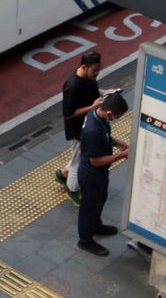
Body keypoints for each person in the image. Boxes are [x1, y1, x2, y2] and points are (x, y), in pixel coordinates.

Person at [77, 92, 130, 257]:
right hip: (91, 174)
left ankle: (96, 225)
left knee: (100, 200)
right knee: (89, 206)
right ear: (109, 113)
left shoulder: (99, 117)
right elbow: (96, 161)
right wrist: (120, 155)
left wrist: (116, 142)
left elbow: (105, 134)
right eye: (117, 116)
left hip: (99, 174)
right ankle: (85, 240)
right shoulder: (93, 130)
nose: (116, 119)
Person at [56, 52, 105, 205]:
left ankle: (63, 174)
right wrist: (93, 107)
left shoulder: (89, 79)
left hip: (85, 126)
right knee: (79, 161)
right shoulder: (72, 86)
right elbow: (68, 114)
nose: (97, 74)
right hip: (76, 130)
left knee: (79, 156)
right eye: (94, 71)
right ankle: (72, 190)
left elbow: (92, 92)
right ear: (84, 67)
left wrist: (105, 93)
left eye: (98, 70)